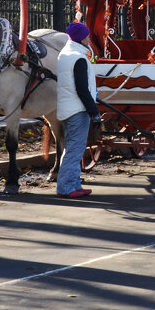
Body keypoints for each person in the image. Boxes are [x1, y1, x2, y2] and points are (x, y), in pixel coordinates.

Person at [56, 21, 100, 198]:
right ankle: (66, 188)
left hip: (67, 107)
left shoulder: (65, 54)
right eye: (87, 36)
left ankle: (74, 184)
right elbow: (82, 89)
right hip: (78, 109)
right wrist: (94, 112)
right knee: (75, 150)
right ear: (81, 39)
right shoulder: (79, 58)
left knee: (72, 148)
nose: (89, 39)